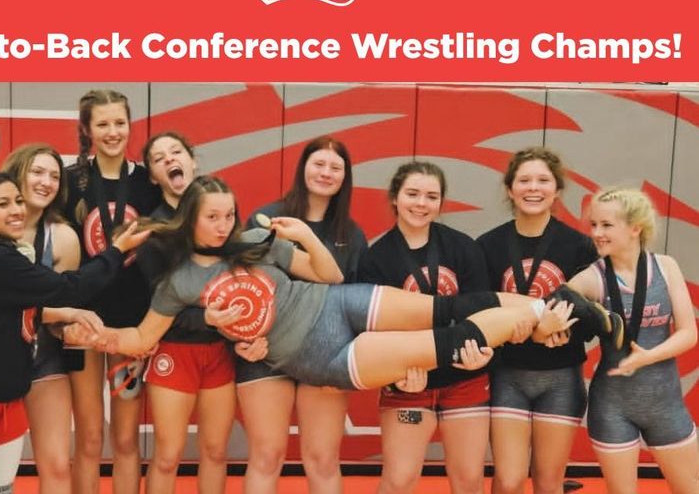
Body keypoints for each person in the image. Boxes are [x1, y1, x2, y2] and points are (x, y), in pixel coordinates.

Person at [65, 176, 586, 394]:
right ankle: (549, 317)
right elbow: (141, 338)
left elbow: (330, 274)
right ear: (192, 219)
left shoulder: (255, 240)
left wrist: (305, 238)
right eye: (212, 217)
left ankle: (555, 313)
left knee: (453, 307)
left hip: (338, 302)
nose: (223, 225)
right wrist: (100, 337)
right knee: (447, 342)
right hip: (316, 355)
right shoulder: (180, 281)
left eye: (228, 214)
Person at [0, 170, 145, 494]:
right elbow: (71, 287)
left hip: (7, 399)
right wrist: (117, 249)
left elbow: (9, 310)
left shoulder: (7, 252)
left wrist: (64, 313)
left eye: (18, 201)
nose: (16, 210)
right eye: (3, 204)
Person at [238, 138, 367, 494]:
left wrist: (341, 359)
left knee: (322, 459)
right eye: (318, 164)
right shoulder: (266, 220)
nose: (326, 173)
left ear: (345, 177)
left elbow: (356, 300)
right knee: (267, 456)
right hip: (265, 354)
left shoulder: (352, 235)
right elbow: (241, 285)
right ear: (303, 168)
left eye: (335, 167)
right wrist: (245, 340)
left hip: (324, 355)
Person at [359, 162, 490, 494]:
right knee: (399, 479)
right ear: (395, 197)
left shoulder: (463, 247)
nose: (421, 203)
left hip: (464, 379)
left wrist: (482, 353)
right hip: (409, 385)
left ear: (441, 202)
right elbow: (374, 330)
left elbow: (483, 312)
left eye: (431, 196)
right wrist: (396, 375)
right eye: (413, 194)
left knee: (469, 480)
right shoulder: (376, 258)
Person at [476, 149, 600, 494]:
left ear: (556, 190)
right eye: (524, 180)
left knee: (549, 483)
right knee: (508, 480)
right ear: (510, 188)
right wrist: (534, 331)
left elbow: (591, 319)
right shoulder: (487, 245)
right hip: (507, 377)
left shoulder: (580, 246)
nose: (533, 188)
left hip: (561, 380)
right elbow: (480, 311)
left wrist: (562, 329)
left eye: (543, 180)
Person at [565, 187, 698, 494]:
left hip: (665, 404)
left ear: (635, 228)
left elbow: (688, 333)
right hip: (612, 406)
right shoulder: (591, 277)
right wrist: (549, 325)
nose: (596, 233)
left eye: (606, 225)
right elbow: (552, 308)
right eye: (594, 224)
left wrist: (646, 356)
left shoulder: (665, 267)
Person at [136, 133, 246, 494]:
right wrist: (204, 318)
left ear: (192, 160)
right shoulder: (155, 235)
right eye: (159, 157)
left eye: (176, 151)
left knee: (216, 451)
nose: (170, 159)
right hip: (174, 350)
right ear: (153, 176)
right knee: (168, 455)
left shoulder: (225, 224)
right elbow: (156, 308)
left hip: (219, 353)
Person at [62, 90, 159, 494]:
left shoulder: (147, 182)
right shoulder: (70, 181)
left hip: (131, 326)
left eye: (119, 122)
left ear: (130, 124)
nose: (112, 132)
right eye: (102, 124)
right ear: (87, 129)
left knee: (125, 438)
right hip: (82, 323)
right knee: (88, 438)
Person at [2, 144, 83, 494]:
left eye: (54, 176)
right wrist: (65, 313)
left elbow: (61, 313)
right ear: (17, 173)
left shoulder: (63, 237)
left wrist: (73, 327)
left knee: (56, 465)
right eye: (37, 172)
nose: (46, 182)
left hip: (44, 360)